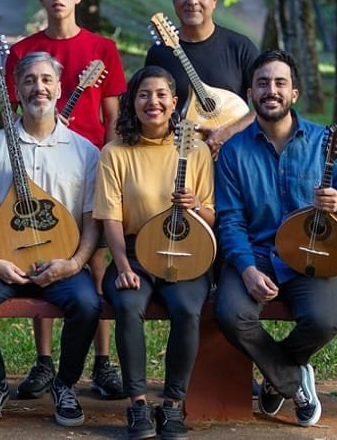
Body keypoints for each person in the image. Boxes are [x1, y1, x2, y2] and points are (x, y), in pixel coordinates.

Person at [3, 0, 127, 401]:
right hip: (37, 167)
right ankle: (43, 360)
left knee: (94, 260)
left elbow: (114, 118)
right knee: (40, 247)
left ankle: (103, 361)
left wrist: (109, 164)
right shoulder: (22, 51)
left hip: (89, 165)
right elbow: (8, 117)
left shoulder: (102, 49)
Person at [215, 50, 337, 428]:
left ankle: (276, 374)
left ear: (294, 93)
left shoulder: (323, 142)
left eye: (280, 83)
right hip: (257, 253)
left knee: (324, 320)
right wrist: (246, 269)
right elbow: (230, 220)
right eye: (263, 83)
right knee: (231, 314)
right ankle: (292, 380)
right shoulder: (233, 151)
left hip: (309, 253)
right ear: (250, 92)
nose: (272, 90)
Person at [0, 52, 101, 427]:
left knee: (87, 304)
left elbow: (91, 221)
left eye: (46, 79)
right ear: (17, 91)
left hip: (63, 262)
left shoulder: (84, 151)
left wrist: (74, 263)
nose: (39, 87)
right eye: (29, 80)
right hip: (3, 259)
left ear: (60, 89)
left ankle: (65, 385)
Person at [94, 66, 215, 439]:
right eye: (144, 94)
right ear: (132, 102)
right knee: (129, 305)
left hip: (186, 250)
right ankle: (138, 405)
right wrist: (123, 266)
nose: (153, 102)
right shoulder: (115, 153)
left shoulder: (195, 151)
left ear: (174, 102)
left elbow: (212, 215)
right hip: (133, 252)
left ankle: (173, 405)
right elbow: (111, 218)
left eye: (162, 94)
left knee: (187, 310)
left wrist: (195, 206)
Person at [144, 0, 259, 155]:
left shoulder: (240, 47)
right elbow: (146, 111)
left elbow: (264, 108)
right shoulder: (159, 54)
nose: (192, 1)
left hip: (232, 156)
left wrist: (226, 133)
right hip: (178, 158)